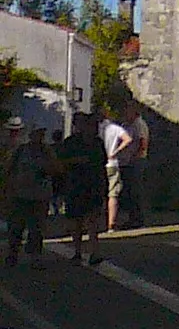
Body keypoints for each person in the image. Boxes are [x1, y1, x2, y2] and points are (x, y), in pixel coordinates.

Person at [54, 111, 108, 266]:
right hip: (75, 185)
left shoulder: (97, 142)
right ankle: (77, 251)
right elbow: (61, 162)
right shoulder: (70, 143)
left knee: (92, 219)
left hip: (93, 185)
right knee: (76, 220)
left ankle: (94, 252)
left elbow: (102, 162)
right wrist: (75, 161)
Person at [4, 120, 59, 269]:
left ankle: (35, 257)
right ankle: (12, 254)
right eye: (37, 134)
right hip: (20, 195)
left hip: (40, 196)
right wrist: (8, 190)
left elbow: (56, 169)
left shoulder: (47, 151)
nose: (40, 137)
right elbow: (9, 170)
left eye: (42, 134)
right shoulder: (21, 150)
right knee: (16, 227)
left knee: (37, 229)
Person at [100, 112, 135, 231]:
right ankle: (111, 224)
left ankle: (97, 222)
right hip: (112, 162)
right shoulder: (116, 129)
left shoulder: (97, 128)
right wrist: (116, 152)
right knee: (113, 194)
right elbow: (128, 139)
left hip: (99, 163)